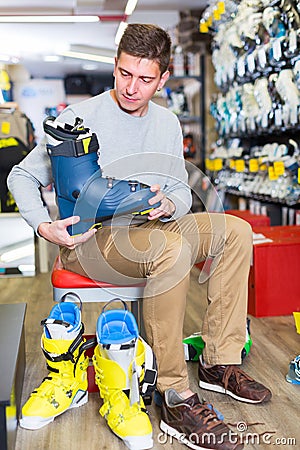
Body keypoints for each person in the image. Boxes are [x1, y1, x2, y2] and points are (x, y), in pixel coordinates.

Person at [8, 23, 271, 450]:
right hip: (94, 239)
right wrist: (43, 224)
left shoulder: (167, 123)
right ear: (115, 67)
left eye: (145, 79)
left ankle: (218, 361)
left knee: (235, 231)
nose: (132, 88)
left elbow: (182, 188)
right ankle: (173, 393)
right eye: (125, 74)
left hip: (156, 225)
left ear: (164, 78)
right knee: (171, 248)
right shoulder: (80, 117)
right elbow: (22, 175)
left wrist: (171, 204)